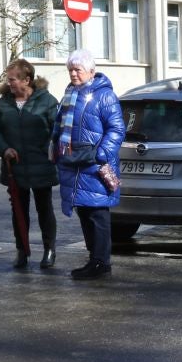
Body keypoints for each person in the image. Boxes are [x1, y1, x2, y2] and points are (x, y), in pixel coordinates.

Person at [50, 49, 125, 280]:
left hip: (93, 165)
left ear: (91, 72)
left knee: (97, 214)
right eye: (70, 70)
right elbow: (60, 125)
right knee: (84, 211)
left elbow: (117, 129)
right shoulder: (70, 94)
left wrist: (101, 154)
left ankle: (101, 261)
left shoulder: (105, 96)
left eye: (77, 70)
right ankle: (94, 258)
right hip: (74, 163)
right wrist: (54, 146)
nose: (73, 74)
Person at [0, 59, 59, 270]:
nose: (9, 83)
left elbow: (57, 130)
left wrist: (46, 149)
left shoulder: (47, 101)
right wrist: (4, 149)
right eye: (8, 79)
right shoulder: (3, 103)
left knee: (44, 208)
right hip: (15, 167)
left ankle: (49, 250)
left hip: (41, 164)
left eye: (12, 79)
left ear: (26, 79)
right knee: (18, 210)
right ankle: (22, 251)